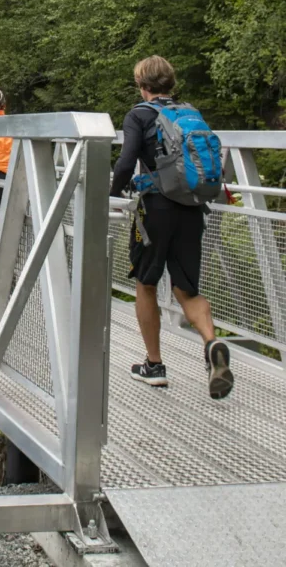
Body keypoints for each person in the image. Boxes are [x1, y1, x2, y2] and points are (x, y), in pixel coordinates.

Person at [110, 55, 234, 399]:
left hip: (155, 209)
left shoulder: (139, 114)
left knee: (146, 282)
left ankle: (154, 365)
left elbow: (126, 161)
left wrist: (112, 191)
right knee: (187, 289)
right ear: (170, 82)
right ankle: (211, 343)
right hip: (192, 208)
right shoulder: (190, 114)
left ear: (141, 84)